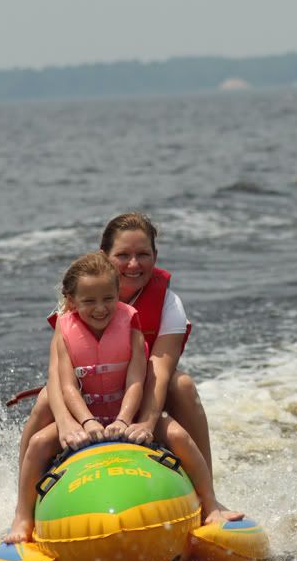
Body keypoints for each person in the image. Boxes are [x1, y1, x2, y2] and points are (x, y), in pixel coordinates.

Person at [17, 212, 241, 520]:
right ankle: (23, 508)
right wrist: (70, 425)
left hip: (141, 392)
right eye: (123, 255)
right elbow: (59, 377)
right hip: (88, 396)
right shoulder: (78, 295)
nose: (133, 265)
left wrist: (145, 424)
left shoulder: (168, 304)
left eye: (143, 255)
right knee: (45, 399)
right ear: (104, 256)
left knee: (183, 385)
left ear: (155, 257)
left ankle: (209, 498)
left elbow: (157, 373)